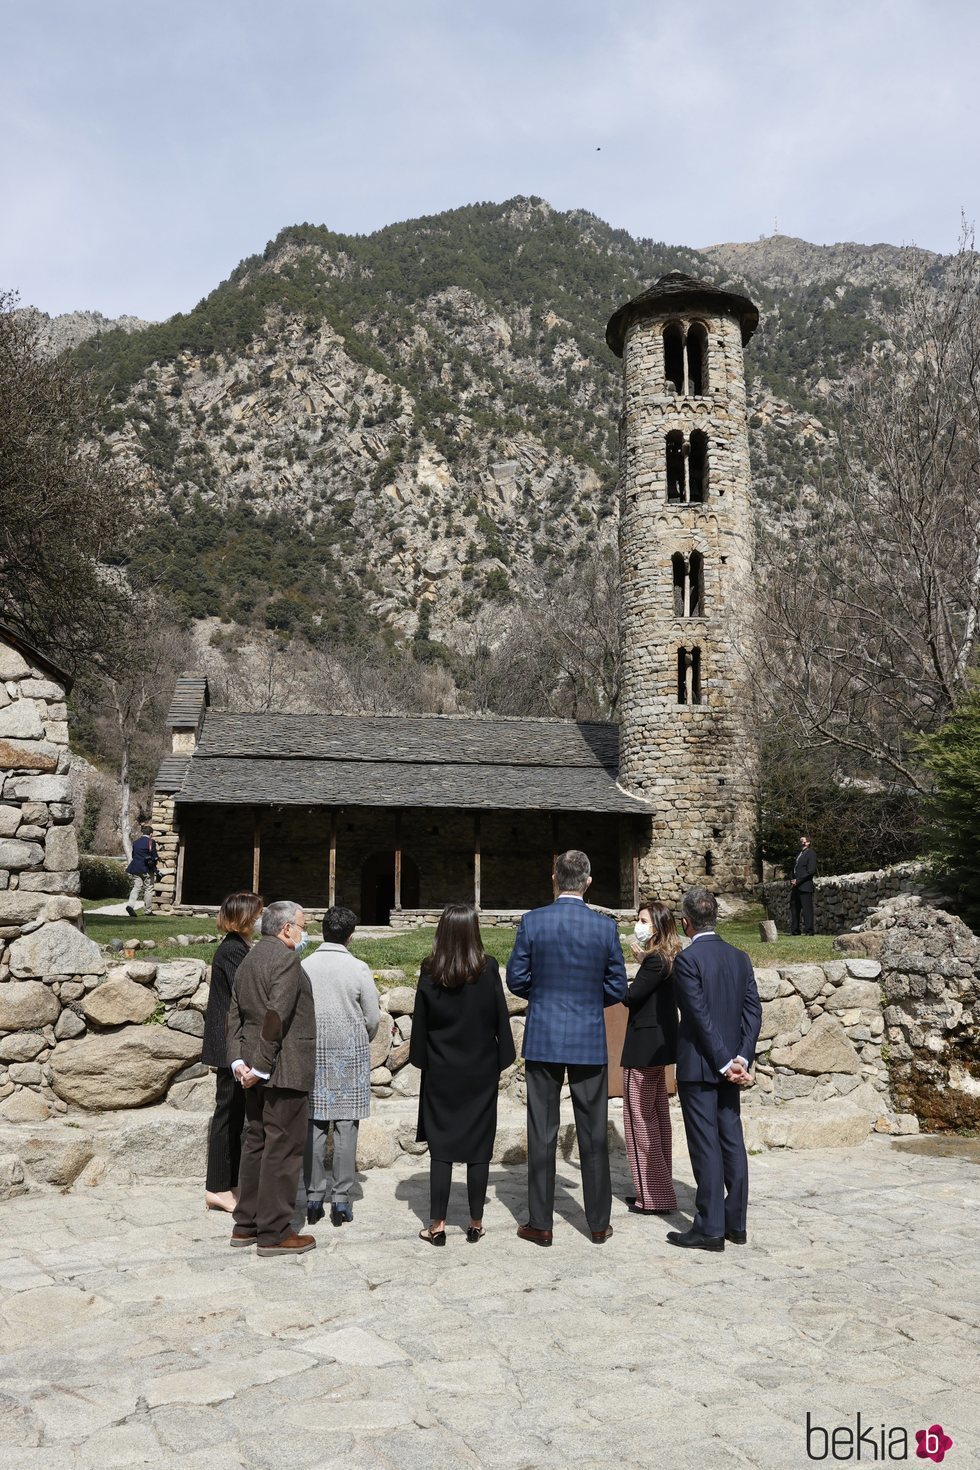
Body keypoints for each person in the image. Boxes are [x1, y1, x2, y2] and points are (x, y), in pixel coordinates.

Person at [506, 850, 628, 1246]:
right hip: (588, 1037)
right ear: (588, 882)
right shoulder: (604, 928)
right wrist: (589, 999)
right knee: (593, 1133)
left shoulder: (533, 922)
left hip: (544, 1035)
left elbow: (516, 978)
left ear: (554, 877)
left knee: (541, 1131)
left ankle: (540, 1222)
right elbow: (617, 987)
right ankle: (597, 1222)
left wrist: (541, 994)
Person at [410, 903, 515, 1245]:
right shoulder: (489, 969)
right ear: (474, 931)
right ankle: (475, 1222)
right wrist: (500, 1060)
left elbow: (420, 1029)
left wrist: (425, 1063)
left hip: (441, 1072)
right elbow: (501, 1018)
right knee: (478, 1147)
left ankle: (437, 1225)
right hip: (480, 1071)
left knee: (440, 1148)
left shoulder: (429, 971)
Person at [667, 887, 762, 1252]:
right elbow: (753, 1012)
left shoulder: (688, 961)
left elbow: (698, 1017)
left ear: (686, 923)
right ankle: (735, 1223)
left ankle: (709, 1227)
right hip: (732, 1066)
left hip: (700, 1066)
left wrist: (726, 1062)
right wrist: (741, 1058)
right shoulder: (740, 957)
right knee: (731, 1141)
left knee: (706, 1145)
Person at [226, 899, 317, 1256]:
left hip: (253, 1067)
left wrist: (239, 1063)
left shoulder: (249, 957)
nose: (305, 932)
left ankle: (246, 1222)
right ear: (285, 929)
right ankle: (275, 1231)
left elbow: (234, 1013)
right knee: (283, 1149)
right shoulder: (286, 959)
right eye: (303, 925)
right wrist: (262, 1067)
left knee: (257, 1144)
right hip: (283, 1069)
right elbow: (275, 1017)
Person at [293, 905, 380, 1230]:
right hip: (350, 1054)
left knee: (313, 1125)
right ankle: (341, 1198)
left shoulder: (305, 965)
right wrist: (361, 1036)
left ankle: (314, 1195)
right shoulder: (358, 968)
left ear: (323, 931)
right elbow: (372, 1016)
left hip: (313, 1051)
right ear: (351, 935)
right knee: (346, 1127)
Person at [202, 890, 264, 1214]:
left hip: (234, 1042)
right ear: (244, 917)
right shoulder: (231, 951)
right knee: (226, 1114)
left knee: (236, 1113)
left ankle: (232, 1181)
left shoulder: (239, 947)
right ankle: (217, 1188)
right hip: (228, 1043)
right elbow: (250, 988)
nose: (259, 918)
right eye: (255, 913)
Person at [621, 900, 680, 1216]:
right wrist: (642, 959)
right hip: (660, 1049)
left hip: (643, 1049)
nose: (638, 924)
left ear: (656, 926)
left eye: (643, 920)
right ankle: (659, 1189)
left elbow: (630, 996)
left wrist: (617, 970)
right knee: (657, 1117)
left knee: (638, 1121)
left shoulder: (655, 962)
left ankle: (653, 1196)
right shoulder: (667, 958)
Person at [125, 823, 158, 917]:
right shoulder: (151, 842)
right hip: (146, 869)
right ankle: (148, 910)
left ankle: (130, 905)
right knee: (149, 888)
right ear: (151, 834)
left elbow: (133, 855)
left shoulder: (136, 842)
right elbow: (154, 856)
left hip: (135, 868)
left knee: (136, 887)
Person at [789, 834, 817, 935]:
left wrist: (798, 880)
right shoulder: (799, 854)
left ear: (808, 842)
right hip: (796, 886)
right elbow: (794, 868)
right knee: (794, 909)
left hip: (805, 886)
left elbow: (810, 871)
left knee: (807, 910)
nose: (801, 842)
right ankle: (795, 930)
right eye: (801, 840)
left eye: (803, 840)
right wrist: (792, 879)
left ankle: (809, 930)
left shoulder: (811, 854)